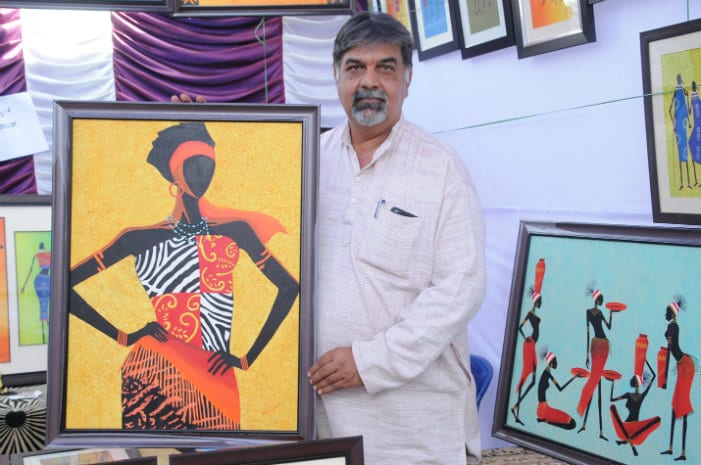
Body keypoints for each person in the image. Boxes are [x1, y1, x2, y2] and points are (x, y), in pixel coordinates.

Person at [306, 12, 487, 465]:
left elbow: (460, 289)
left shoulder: (441, 169)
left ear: (407, 80)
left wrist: (369, 362)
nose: (369, 81)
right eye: (355, 67)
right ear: (336, 75)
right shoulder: (308, 158)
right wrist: (202, 127)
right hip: (320, 421)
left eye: (385, 67)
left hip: (411, 434)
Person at [69, 122, 299, 430]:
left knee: (223, 451)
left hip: (214, 376)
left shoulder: (235, 230)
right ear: (174, 176)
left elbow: (289, 287)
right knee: (156, 454)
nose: (202, 174)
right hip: (153, 373)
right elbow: (65, 286)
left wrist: (247, 358)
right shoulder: (138, 238)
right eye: (192, 166)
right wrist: (124, 336)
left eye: (209, 167)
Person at [659, 295, 696, 461]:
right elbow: (669, 349)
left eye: (668, 313)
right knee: (675, 404)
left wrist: (666, 378)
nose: (665, 315)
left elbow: (672, 347)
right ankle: (671, 447)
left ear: (673, 314)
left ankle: (683, 452)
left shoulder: (674, 327)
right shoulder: (671, 327)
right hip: (681, 365)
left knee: (683, 406)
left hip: (686, 365)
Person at [20, 241, 51, 343]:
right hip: (40, 280)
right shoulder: (40, 255)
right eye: (43, 247)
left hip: (47, 279)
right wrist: (24, 286)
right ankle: (44, 323)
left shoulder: (49, 254)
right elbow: (30, 270)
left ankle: (48, 323)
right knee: (43, 301)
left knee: (47, 300)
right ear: (42, 247)